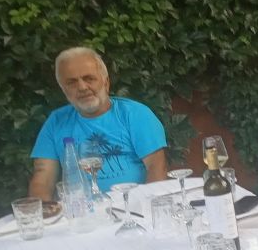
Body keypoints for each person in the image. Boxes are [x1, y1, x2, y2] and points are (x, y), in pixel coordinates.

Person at [29, 47, 167, 200]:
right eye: (71, 82)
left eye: (89, 78)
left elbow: (156, 169)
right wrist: (43, 212)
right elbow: (43, 179)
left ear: (106, 82)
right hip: (80, 210)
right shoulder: (56, 122)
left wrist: (146, 207)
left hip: (132, 206)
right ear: (63, 90)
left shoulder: (135, 114)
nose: (82, 87)